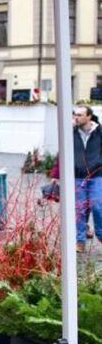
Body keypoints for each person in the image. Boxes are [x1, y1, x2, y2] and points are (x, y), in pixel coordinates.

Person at [68, 106, 102, 252]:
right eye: (75, 114)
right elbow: (61, 153)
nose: (76, 117)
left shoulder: (99, 132)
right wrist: (56, 175)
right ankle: (79, 240)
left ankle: (100, 235)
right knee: (79, 209)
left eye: (80, 115)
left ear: (89, 116)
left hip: (97, 175)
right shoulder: (70, 133)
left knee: (97, 206)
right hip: (77, 176)